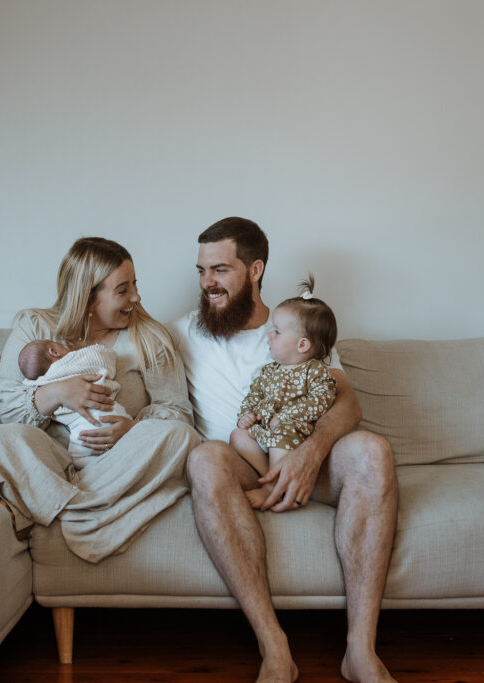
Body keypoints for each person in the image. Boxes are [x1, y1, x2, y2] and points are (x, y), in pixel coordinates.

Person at [169, 217, 398, 683]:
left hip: (305, 458)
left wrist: (310, 452)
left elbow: (347, 401)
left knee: (372, 451)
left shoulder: (294, 326)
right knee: (204, 458)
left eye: (220, 270)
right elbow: (108, 340)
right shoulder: (180, 333)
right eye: (200, 271)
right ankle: (274, 648)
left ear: (255, 270)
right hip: (243, 463)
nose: (206, 283)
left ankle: (360, 651)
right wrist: (36, 374)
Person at [0, 237, 200, 564]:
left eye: (135, 285)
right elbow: (8, 407)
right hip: (48, 462)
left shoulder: (149, 338)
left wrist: (132, 428)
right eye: (122, 290)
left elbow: (178, 412)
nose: (136, 297)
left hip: (118, 460)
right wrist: (57, 392)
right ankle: (89, 512)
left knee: (181, 437)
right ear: (88, 296)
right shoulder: (35, 327)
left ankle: (63, 508)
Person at [230, 279, 338, 509]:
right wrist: (247, 414)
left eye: (277, 332)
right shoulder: (269, 371)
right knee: (238, 435)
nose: (269, 335)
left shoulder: (316, 371)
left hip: (295, 434)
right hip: (265, 430)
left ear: (302, 345)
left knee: (282, 433)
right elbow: (254, 395)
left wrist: (288, 416)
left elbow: (322, 399)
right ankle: (275, 475)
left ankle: (272, 488)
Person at [17, 339, 131, 469]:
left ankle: (84, 468)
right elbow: (103, 358)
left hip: (82, 432)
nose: (70, 350)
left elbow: (26, 392)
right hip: (109, 414)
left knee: (79, 458)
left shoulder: (41, 382)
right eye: (61, 345)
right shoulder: (75, 360)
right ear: (53, 351)